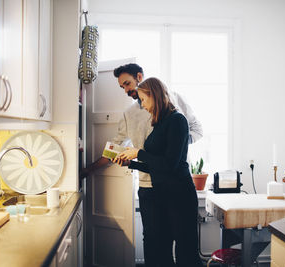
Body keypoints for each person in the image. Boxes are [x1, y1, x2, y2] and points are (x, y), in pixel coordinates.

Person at [81, 63, 203, 267]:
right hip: (149, 187)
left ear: (140, 77)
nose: (127, 90)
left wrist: (178, 145)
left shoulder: (174, 104)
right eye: (122, 87)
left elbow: (196, 130)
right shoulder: (130, 114)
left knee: (184, 248)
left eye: (128, 84)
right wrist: (88, 170)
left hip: (176, 186)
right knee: (156, 247)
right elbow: (116, 147)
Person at [114, 77, 204, 267]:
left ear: (154, 96)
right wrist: (131, 164)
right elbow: (156, 166)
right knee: (161, 250)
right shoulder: (159, 123)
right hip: (164, 194)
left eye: (144, 100)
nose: (142, 105)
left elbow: (169, 165)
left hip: (180, 196)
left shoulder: (177, 120)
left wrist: (139, 153)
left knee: (185, 253)